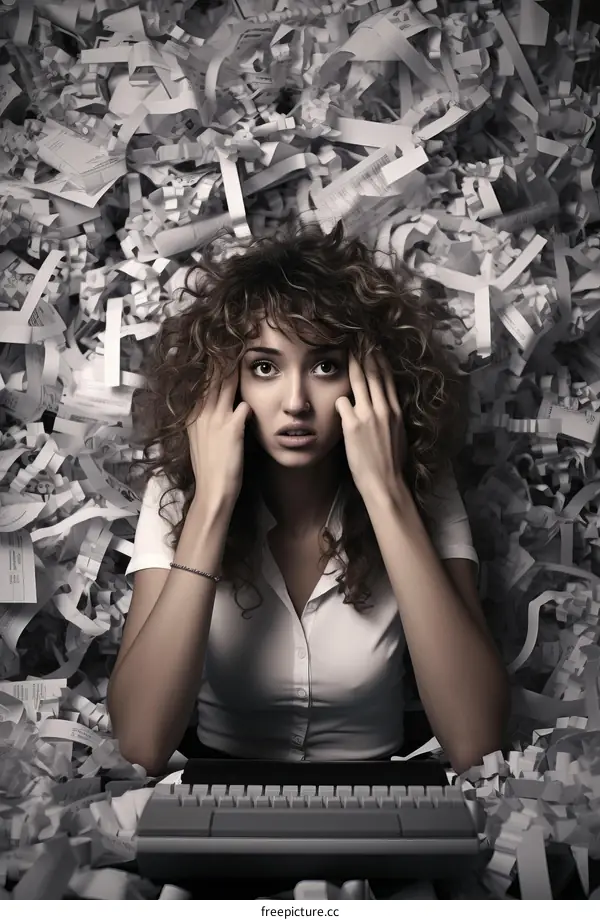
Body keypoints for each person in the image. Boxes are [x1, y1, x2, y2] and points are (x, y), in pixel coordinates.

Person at [107, 219, 511, 777]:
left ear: (371, 378)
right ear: (228, 381)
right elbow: (140, 745)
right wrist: (212, 505)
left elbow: (477, 744)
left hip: (379, 795)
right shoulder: (176, 496)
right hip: (219, 791)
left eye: (325, 366)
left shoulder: (422, 489)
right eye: (265, 368)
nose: (295, 401)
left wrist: (386, 492)